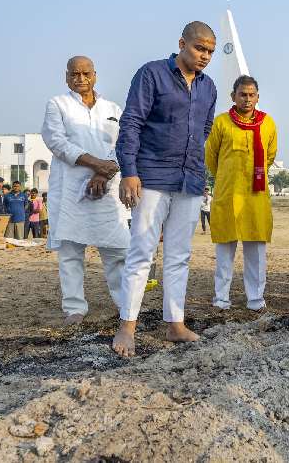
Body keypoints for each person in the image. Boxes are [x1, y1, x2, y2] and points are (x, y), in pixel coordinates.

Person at [112, 21, 218, 357]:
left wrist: (196, 170)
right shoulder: (152, 74)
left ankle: (175, 324)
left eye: (210, 52)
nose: (205, 56)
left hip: (189, 180)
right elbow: (132, 122)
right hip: (153, 176)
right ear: (182, 44)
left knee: (179, 256)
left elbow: (203, 130)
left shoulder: (209, 87)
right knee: (141, 252)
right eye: (200, 48)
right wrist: (130, 171)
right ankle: (127, 327)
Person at [41, 55, 130, 325]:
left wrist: (104, 171)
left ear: (95, 75)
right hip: (70, 188)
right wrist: (96, 164)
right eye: (74, 74)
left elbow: (125, 143)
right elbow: (56, 141)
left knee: (118, 250)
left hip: (108, 186)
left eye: (86, 74)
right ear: (66, 77)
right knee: (70, 251)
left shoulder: (112, 108)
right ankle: (74, 308)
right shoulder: (58, 104)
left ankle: (126, 305)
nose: (81, 79)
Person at [205, 75, 277, 312]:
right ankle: (221, 299)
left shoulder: (268, 124)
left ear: (258, 97)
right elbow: (211, 158)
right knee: (225, 252)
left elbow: (269, 157)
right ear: (233, 96)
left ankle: (255, 299)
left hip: (255, 198)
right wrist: (227, 178)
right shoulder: (221, 122)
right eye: (242, 94)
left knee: (256, 253)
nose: (247, 99)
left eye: (251, 95)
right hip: (228, 196)